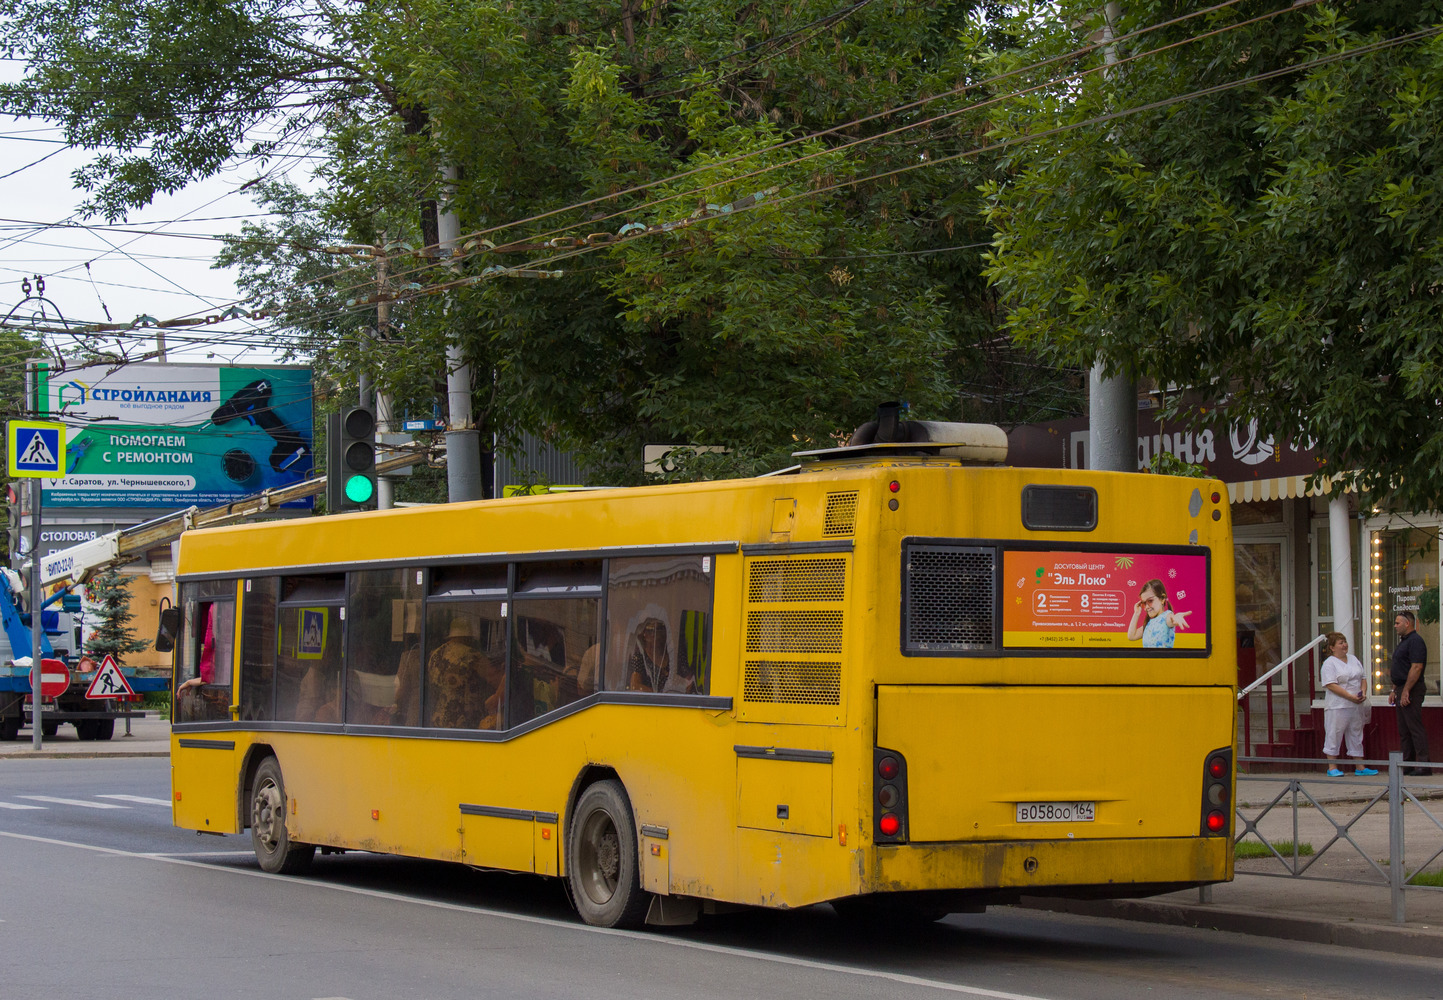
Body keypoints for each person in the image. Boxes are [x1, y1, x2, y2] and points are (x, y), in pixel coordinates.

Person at [1320, 632, 1376, 776]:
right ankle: (1332, 767)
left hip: (1355, 704)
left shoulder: (1353, 659)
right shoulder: (1329, 664)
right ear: (1332, 647)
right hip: (1337, 705)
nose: (1344, 645)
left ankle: (1360, 767)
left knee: (1356, 733)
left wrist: (1363, 692)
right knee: (1334, 733)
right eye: (1340, 643)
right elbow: (1331, 684)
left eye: (1345, 642)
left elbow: (1363, 678)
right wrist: (1349, 696)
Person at [426, 613, 496, 729]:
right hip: (464, 720)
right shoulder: (472, 655)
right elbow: (492, 677)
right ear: (467, 636)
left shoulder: (434, 655)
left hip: (438, 719)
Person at [1388, 610, 1430, 775]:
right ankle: (1408, 764)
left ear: (1408, 623)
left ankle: (1424, 765)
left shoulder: (1415, 641)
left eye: (1398, 623)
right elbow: (1400, 667)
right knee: (1404, 729)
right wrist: (1394, 690)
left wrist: (1406, 690)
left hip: (1412, 688)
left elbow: (1416, 666)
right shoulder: (1403, 642)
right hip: (1400, 688)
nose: (1395, 626)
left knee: (1414, 727)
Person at [1126, 579, 1191, 648]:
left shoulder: (1167, 617)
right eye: (1144, 603)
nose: (1147, 607)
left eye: (1150, 601)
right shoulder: (1148, 624)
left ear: (1162, 599)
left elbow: (1171, 619)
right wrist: (1136, 613)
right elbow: (1131, 636)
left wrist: (1175, 617)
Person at [627, 617, 669, 692]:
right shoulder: (640, 658)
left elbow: (686, 679)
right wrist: (656, 694)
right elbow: (635, 686)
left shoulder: (670, 656)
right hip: (649, 702)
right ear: (645, 634)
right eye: (652, 630)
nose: (656, 635)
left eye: (660, 629)